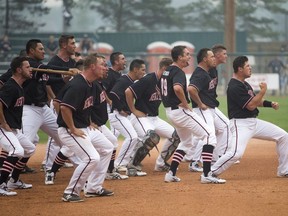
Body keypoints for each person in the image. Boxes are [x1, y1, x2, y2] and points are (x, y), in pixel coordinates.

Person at [211, 55, 288, 179]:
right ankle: (210, 172)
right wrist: (262, 91)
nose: (250, 68)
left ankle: (284, 170)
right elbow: (251, 106)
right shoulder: (234, 86)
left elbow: (254, 100)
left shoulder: (244, 84)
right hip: (240, 124)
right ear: (240, 69)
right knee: (236, 154)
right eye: (247, 65)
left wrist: (269, 104)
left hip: (253, 122)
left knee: (283, 136)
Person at [161, 45, 225, 183]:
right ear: (179, 57)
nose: (189, 57)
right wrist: (185, 103)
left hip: (170, 112)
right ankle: (207, 175)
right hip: (180, 111)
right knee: (209, 136)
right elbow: (178, 88)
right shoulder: (178, 71)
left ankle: (171, 173)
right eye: (187, 54)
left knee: (186, 142)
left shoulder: (167, 71)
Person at [56, 54, 112, 202]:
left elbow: (85, 107)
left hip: (85, 127)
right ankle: (70, 192)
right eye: (102, 64)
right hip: (69, 130)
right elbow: (64, 108)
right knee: (91, 158)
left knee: (108, 147)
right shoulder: (78, 85)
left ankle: (93, 188)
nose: (105, 67)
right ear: (92, 66)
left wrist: (89, 121)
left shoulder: (92, 84)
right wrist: (73, 128)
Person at [21, 39, 78, 172]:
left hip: (44, 109)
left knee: (65, 139)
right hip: (29, 109)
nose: (43, 51)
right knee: (25, 145)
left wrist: (62, 78)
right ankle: (9, 176)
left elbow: (48, 78)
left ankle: (82, 169)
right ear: (31, 50)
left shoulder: (39, 66)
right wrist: (68, 69)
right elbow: (49, 69)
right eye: (40, 49)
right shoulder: (30, 65)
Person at [125, 57, 181, 174]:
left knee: (176, 136)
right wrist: (133, 110)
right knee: (151, 137)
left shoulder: (164, 82)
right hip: (141, 117)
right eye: (171, 70)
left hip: (154, 118)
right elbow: (128, 92)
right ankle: (132, 167)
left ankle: (160, 164)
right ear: (165, 68)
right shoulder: (148, 79)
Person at [185, 45, 231, 171]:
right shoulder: (203, 72)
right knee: (207, 134)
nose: (226, 56)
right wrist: (200, 103)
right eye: (211, 56)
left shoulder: (211, 69)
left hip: (211, 106)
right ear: (207, 58)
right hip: (203, 108)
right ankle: (195, 161)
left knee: (225, 126)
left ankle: (215, 158)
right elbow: (191, 89)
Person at [42, 35, 77, 173]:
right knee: (57, 134)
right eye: (72, 43)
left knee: (66, 133)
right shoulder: (54, 62)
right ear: (63, 45)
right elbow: (47, 83)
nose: (75, 46)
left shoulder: (71, 62)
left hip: (68, 102)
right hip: (58, 102)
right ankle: (48, 165)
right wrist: (53, 99)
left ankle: (59, 161)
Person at [0, 56, 35, 196]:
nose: (30, 69)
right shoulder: (10, 86)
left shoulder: (18, 86)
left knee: (29, 148)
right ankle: (1, 184)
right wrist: (3, 123)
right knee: (17, 151)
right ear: (19, 70)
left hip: (13, 129)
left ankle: (13, 180)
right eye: (27, 67)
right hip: (2, 128)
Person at [109, 59, 146, 175]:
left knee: (140, 136)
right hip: (117, 114)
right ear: (135, 69)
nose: (144, 72)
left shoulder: (131, 81)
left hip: (124, 116)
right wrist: (120, 108)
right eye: (142, 70)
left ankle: (131, 162)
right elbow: (113, 94)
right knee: (132, 137)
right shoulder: (124, 80)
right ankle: (119, 164)